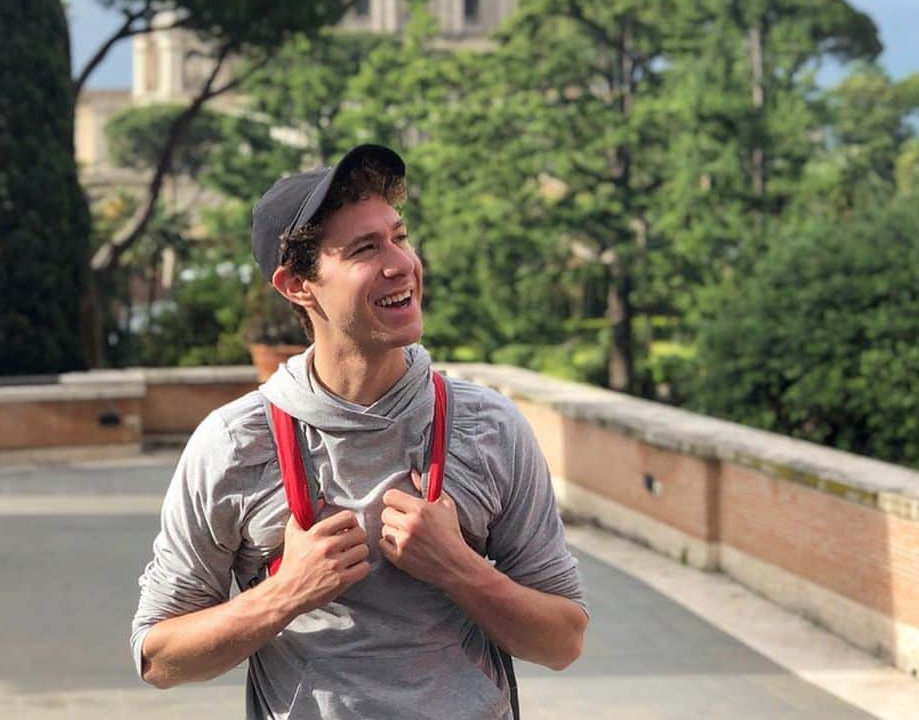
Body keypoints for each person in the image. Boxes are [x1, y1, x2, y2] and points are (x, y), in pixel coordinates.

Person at [131, 144, 588, 718]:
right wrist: (284, 594)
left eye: (399, 236)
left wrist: (461, 569)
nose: (400, 263)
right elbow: (158, 656)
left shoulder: (490, 427)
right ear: (297, 285)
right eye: (365, 249)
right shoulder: (233, 443)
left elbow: (564, 640)